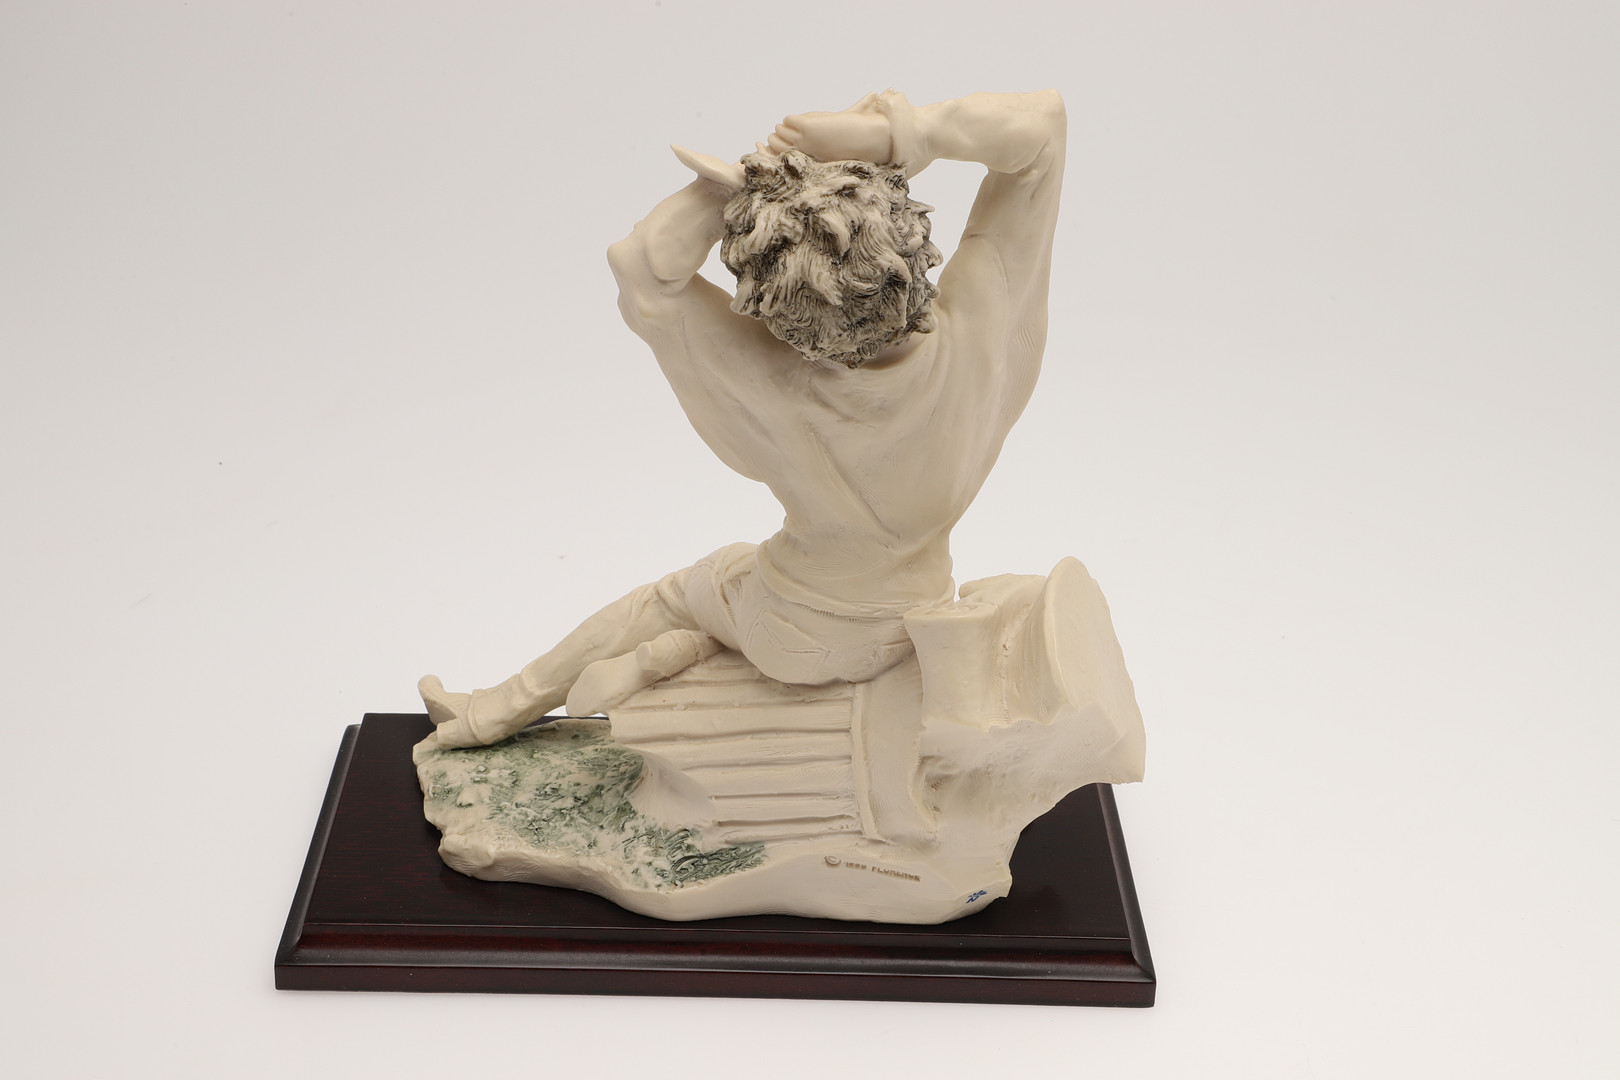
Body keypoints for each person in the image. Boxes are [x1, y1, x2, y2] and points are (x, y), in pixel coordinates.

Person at [421, 90, 1066, 748]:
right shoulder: (983, 326)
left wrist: (736, 184)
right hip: (915, 617)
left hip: (794, 631)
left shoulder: (775, 382)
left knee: (680, 594)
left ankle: (497, 711)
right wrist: (899, 137)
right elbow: (1040, 130)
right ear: (907, 234)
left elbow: (641, 264)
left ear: (772, 306)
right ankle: (671, 658)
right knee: (730, 588)